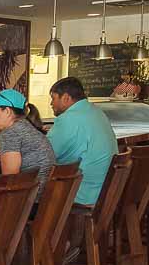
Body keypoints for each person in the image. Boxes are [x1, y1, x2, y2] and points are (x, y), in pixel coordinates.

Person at [48, 77, 118, 206]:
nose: (51, 104)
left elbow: (46, 155)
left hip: (82, 194)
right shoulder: (96, 112)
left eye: (53, 98)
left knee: (27, 195)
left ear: (66, 98)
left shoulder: (68, 119)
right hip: (105, 190)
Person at [0, 89, 56, 196]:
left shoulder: (10, 133)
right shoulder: (24, 126)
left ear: (7, 111)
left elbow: (10, 178)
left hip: (26, 201)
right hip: (41, 196)